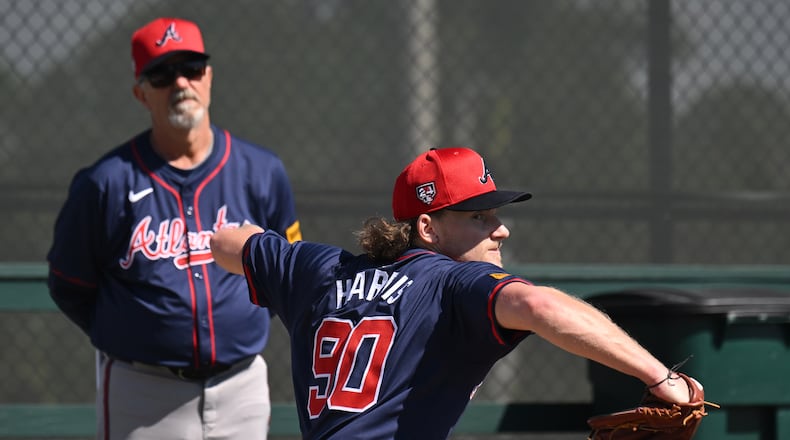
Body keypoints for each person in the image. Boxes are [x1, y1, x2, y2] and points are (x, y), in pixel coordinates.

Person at [210, 146, 697, 439]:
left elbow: (227, 241)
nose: (500, 230)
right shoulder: (452, 283)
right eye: (478, 217)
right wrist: (660, 377)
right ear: (428, 226)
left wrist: (281, 262)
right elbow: (539, 304)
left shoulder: (321, 269)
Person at [47, 17, 301, 440]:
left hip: (242, 386)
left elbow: (285, 271)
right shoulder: (105, 183)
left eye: (192, 68)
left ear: (210, 77)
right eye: (162, 74)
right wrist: (132, 328)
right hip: (143, 392)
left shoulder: (262, 171)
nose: (181, 82)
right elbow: (69, 283)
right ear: (140, 93)